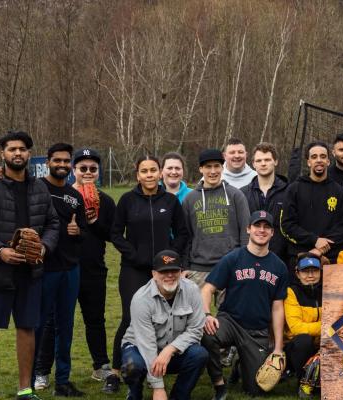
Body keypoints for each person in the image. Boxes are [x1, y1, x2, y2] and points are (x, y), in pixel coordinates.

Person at [0, 130, 60, 400]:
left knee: (27, 328)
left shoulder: (39, 187)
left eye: (22, 149)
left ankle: (25, 389)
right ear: (2, 153)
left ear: (29, 154)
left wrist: (43, 247)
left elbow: (53, 224)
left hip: (30, 272)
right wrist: (0, 251)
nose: (17, 153)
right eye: (12, 149)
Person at [106, 155, 190, 393]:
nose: (149, 175)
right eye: (144, 171)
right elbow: (115, 234)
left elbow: (182, 233)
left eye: (154, 170)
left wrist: (170, 258)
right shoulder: (127, 200)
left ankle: (161, 365)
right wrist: (135, 256)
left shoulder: (171, 201)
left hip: (165, 271)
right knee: (129, 318)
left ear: (160, 172)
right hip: (134, 269)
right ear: (138, 175)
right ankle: (115, 372)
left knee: (167, 318)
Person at [201, 210, 288, 398]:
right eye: (257, 225)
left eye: (267, 227)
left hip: (256, 331)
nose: (262, 230)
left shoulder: (279, 267)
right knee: (207, 335)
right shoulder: (233, 258)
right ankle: (219, 383)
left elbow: (278, 307)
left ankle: (241, 365)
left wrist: (278, 347)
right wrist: (207, 315)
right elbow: (207, 289)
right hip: (230, 321)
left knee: (257, 390)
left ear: (272, 233)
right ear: (248, 229)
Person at [32, 143, 87, 397]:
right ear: (48, 161)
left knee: (66, 326)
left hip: (70, 269)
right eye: (58, 161)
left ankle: (63, 381)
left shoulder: (75, 196)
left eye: (67, 161)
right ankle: (29, 379)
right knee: (38, 324)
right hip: (44, 268)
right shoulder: (35, 188)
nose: (62, 165)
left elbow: (83, 231)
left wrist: (78, 233)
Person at [120, 249, 209, 400]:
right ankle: (135, 393)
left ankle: (179, 396)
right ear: (154, 274)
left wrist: (169, 350)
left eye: (174, 270)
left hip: (173, 351)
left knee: (199, 354)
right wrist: (158, 388)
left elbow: (196, 329)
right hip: (140, 348)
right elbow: (147, 345)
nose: (169, 275)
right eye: (164, 271)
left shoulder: (192, 290)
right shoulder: (141, 299)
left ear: (181, 272)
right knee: (132, 365)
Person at [71, 148, 117, 383]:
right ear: (74, 170)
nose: (88, 172)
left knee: (95, 320)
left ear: (98, 172)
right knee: (57, 321)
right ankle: (44, 369)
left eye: (93, 169)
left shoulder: (107, 201)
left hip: (94, 268)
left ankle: (101, 364)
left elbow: (113, 235)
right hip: (65, 267)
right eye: (83, 168)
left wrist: (94, 222)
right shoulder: (64, 195)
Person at [183, 149, 250, 288]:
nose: (213, 171)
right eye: (208, 167)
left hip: (230, 266)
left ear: (222, 167)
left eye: (216, 166)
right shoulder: (190, 199)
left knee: (228, 310)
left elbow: (246, 231)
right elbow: (185, 236)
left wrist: (244, 262)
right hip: (198, 268)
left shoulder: (235, 195)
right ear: (201, 169)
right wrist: (185, 266)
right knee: (199, 310)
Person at [281, 141, 343, 267]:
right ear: (308, 162)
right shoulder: (294, 189)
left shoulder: (340, 192)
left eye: (323, 156)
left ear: (328, 161)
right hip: (299, 257)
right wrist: (314, 240)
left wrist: (320, 249)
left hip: (330, 259)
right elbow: (287, 225)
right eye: (314, 157)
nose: (319, 160)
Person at [241, 142, 290, 261]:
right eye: (259, 161)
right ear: (253, 164)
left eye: (267, 160)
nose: (263, 164)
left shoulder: (289, 192)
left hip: (281, 258)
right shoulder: (242, 194)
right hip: (249, 258)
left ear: (275, 161)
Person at [284, 253, 324, 398]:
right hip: (296, 347)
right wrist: (325, 327)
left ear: (320, 271)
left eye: (315, 270)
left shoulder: (329, 290)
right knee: (303, 339)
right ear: (297, 273)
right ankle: (303, 382)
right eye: (305, 271)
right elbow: (296, 328)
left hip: (322, 344)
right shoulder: (291, 292)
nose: (311, 275)